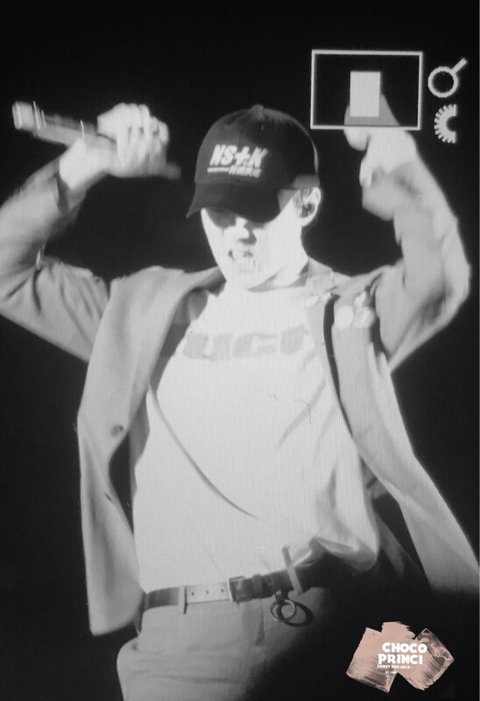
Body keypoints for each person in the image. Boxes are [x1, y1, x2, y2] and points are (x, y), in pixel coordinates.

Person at [0, 102, 477, 701]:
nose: (238, 233)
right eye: (220, 214)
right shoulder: (139, 312)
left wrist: (401, 170)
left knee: (443, 669)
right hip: (186, 646)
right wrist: (83, 164)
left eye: (257, 211)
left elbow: (441, 278)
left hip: (340, 623)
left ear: (306, 204)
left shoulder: (351, 308)